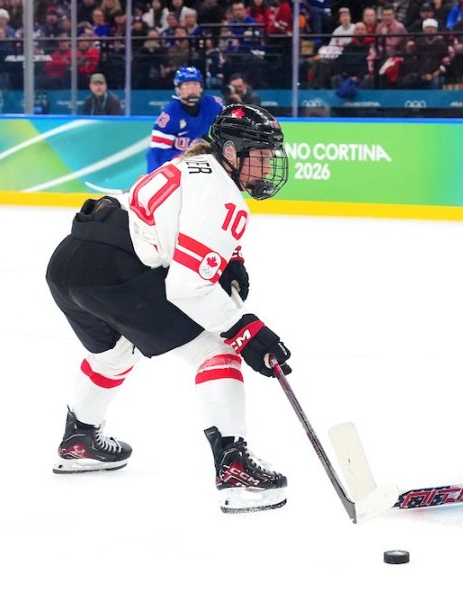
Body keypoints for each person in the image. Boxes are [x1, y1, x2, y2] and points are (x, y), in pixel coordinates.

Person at [47, 104, 293, 513]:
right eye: (261, 157)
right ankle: (234, 469)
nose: (267, 168)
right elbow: (187, 285)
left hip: (72, 261)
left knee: (111, 355)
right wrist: (244, 329)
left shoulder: (192, 165)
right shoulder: (223, 193)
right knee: (217, 350)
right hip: (117, 270)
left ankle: (80, 440)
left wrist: (231, 258)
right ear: (232, 153)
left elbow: (177, 221)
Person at [147, 66, 224, 173]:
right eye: (186, 85)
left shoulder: (213, 105)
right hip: (177, 168)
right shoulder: (169, 116)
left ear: (201, 87)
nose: (192, 89)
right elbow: (158, 153)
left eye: (195, 84)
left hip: (209, 164)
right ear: (178, 89)